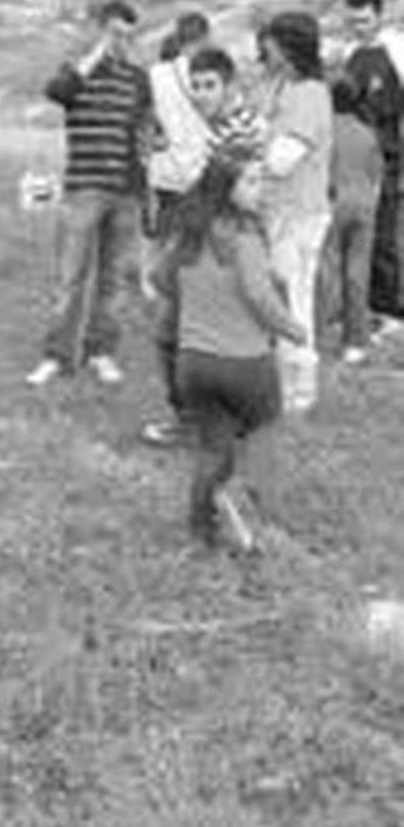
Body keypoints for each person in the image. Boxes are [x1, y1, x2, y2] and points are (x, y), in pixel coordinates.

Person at [151, 153, 306, 552]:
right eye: (251, 181)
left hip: (193, 364)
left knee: (212, 450)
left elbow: (160, 279)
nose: (260, 189)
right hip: (246, 364)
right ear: (226, 188)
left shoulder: (187, 234)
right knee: (263, 443)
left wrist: (201, 301)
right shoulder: (244, 239)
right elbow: (259, 296)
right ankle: (265, 529)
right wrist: (294, 330)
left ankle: (202, 532)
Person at [142, 45, 266, 448]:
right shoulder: (230, 124)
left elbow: (223, 197)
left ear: (230, 85)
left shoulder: (238, 131)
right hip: (219, 245)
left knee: (173, 335)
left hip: (219, 249)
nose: (199, 94)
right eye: (195, 86)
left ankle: (193, 421)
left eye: (209, 85)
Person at [27, 0, 153, 387]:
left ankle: (102, 352)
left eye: (128, 36)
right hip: (83, 190)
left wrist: (145, 183)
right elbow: (56, 92)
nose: (121, 42)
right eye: (114, 33)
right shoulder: (76, 72)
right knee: (70, 279)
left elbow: (146, 131)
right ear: (98, 30)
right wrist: (96, 55)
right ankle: (57, 356)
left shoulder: (137, 78)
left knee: (113, 281)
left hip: (126, 192)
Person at [258, 11, 333, 415]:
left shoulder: (309, 94)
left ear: (288, 48)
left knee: (294, 301)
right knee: (281, 299)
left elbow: (280, 160)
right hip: (280, 211)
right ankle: (283, 384)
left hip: (299, 215)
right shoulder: (283, 88)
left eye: (270, 45)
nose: (264, 51)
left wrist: (251, 153)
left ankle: (299, 392)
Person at [342, 0, 404, 326]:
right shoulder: (349, 54)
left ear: (379, 16)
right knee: (355, 234)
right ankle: (359, 304)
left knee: (384, 235)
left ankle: (388, 305)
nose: (358, 27)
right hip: (354, 160)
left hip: (389, 157)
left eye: (364, 20)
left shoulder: (397, 51)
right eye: (352, 21)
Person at [320, 73, 384, 365]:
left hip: (333, 202)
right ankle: (355, 342)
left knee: (327, 273)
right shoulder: (367, 132)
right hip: (365, 204)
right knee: (358, 274)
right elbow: (377, 175)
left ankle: (320, 335)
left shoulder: (326, 129)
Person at [144, 11, 214, 278]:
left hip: (165, 166)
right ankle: (169, 277)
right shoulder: (209, 75)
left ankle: (153, 279)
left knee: (163, 228)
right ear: (204, 37)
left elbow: (144, 115)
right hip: (199, 167)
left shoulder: (155, 74)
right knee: (192, 235)